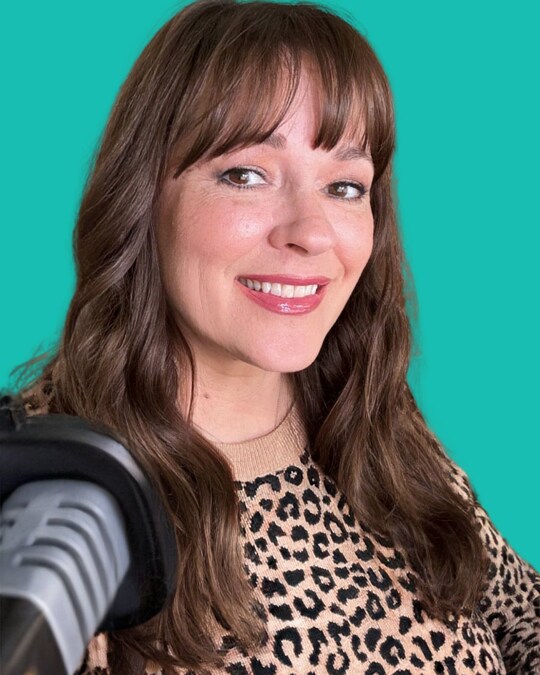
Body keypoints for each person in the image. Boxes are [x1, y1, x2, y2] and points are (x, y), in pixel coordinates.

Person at [10, 0, 539, 673]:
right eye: (245, 175)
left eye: (345, 186)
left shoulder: (370, 422)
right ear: (142, 196)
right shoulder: (52, 498)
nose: (310, 232)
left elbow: (520, 611)